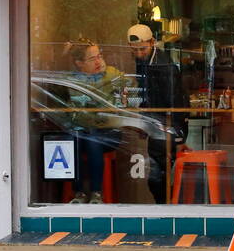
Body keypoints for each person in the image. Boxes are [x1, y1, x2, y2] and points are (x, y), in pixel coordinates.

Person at [119, 23, 189, 203]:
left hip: (167, 126)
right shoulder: (142, 62)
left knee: (157, 177)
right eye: (134, 50)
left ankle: (166, 208)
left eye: (142, 49)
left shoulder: (164, 66)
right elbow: (145, 96)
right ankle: (165, 206)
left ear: (152, 42)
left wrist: (178, 137)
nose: (139, 53)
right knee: (157, 175)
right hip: (156, 124)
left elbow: (176, 102)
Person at [63, 39, 125, 205]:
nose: (98, 61)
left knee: (92, 136)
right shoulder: (71, 80)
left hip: (108, 132)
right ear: (79, 63)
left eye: (99, 56)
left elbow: (133, 92)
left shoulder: (112, 74)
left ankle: (95, 193)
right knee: (74, 137)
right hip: (81, 132)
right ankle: (79, 192)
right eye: (92, 59)